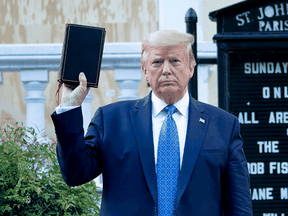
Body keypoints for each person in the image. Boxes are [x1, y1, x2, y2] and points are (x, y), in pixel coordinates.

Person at [51, 30, 253, 215]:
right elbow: (75, 174)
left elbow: (239, 206)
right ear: (145, 71)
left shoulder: (224, 126)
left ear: (191, 68)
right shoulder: (111, 120)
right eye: (157, 62)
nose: (166, 70)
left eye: (175, 61)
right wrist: (70, 107)